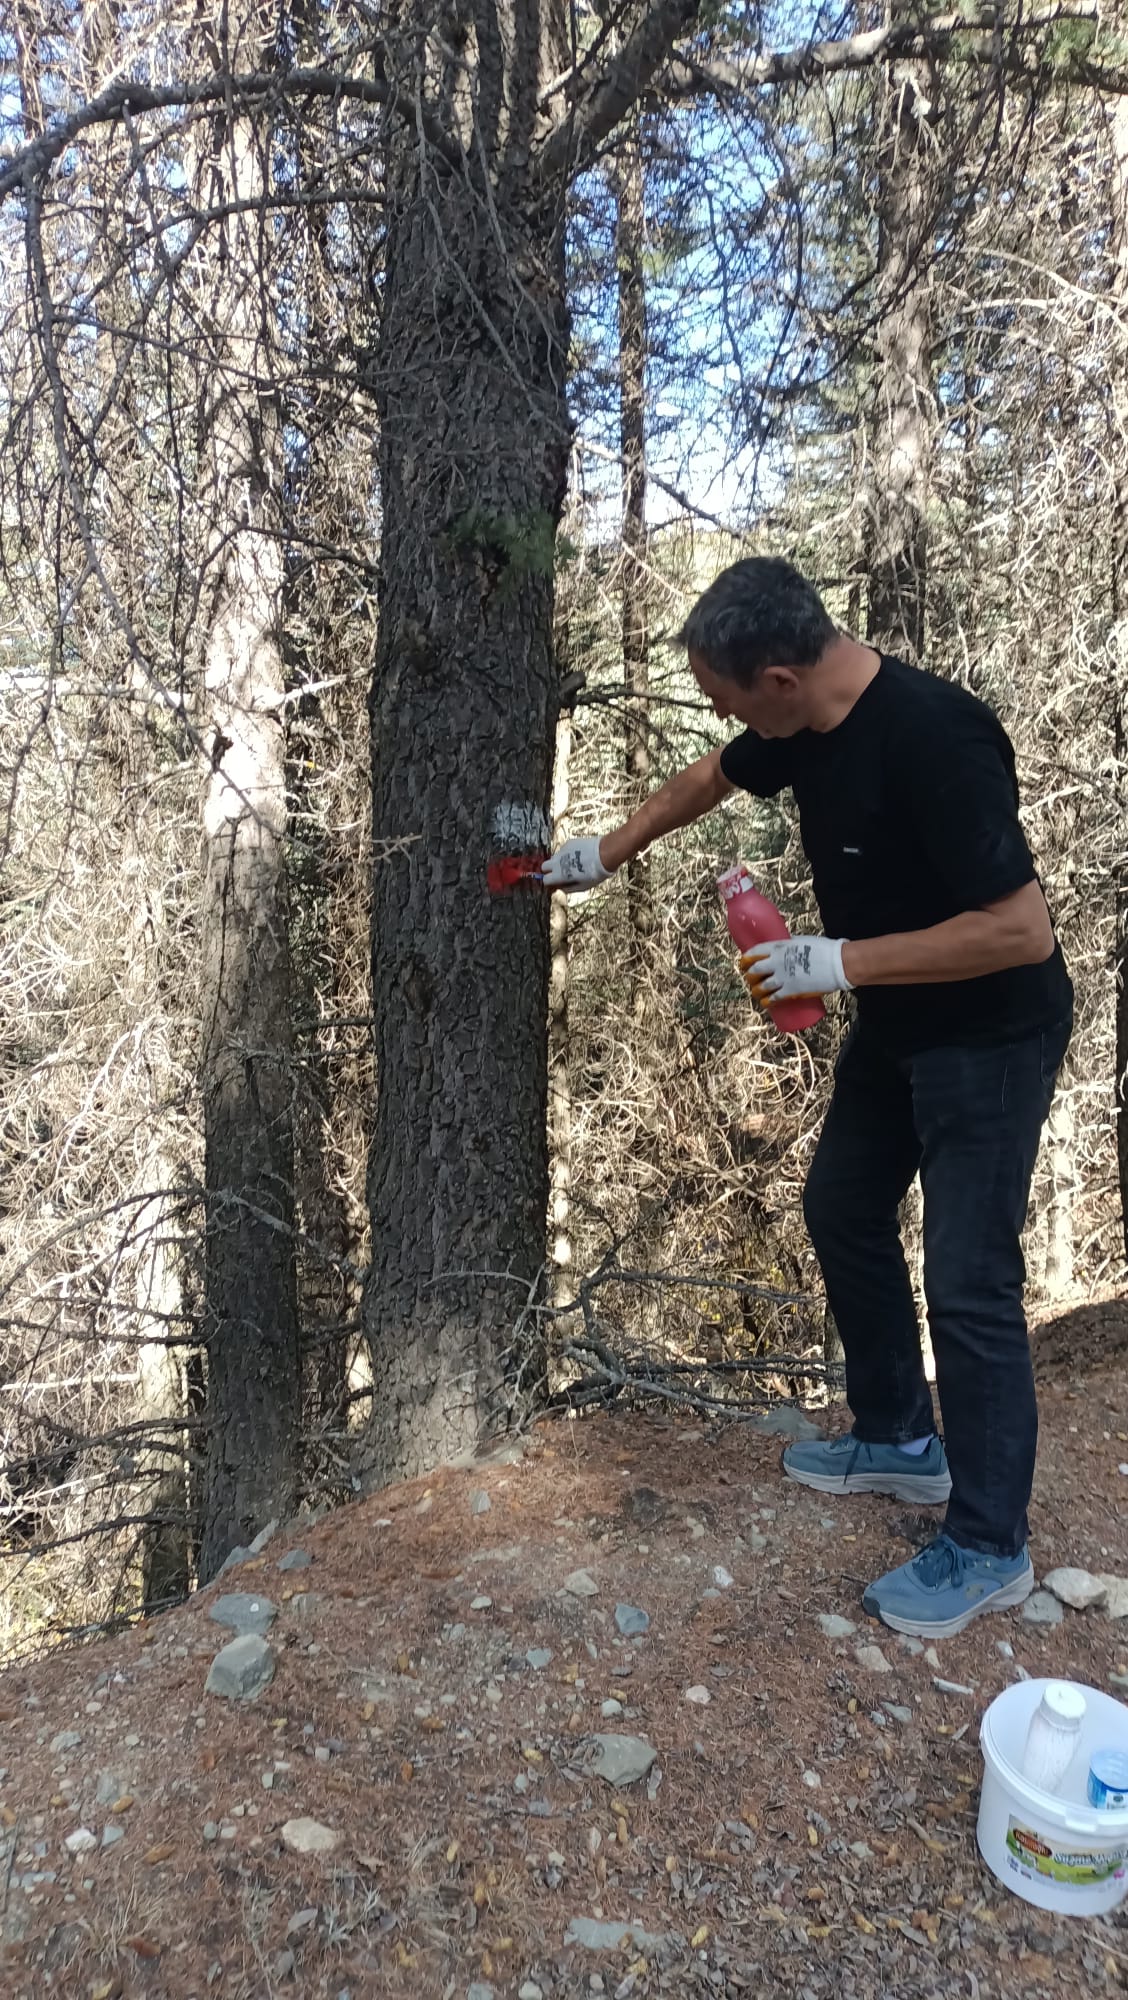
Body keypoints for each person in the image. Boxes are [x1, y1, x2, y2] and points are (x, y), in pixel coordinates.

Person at [541, 556, 1073, 1639]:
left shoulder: (934, 737)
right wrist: (609, 849)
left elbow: (1022, 929)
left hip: (991, 1035)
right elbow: (709, 776)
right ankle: (900, 1439)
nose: (722, 716)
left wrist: (841, 962)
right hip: (900, 1024)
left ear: (779, 678)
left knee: (969, 1281)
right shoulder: (798, 725)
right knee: (840, 1204)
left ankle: (989, 1546)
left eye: (727, 696)